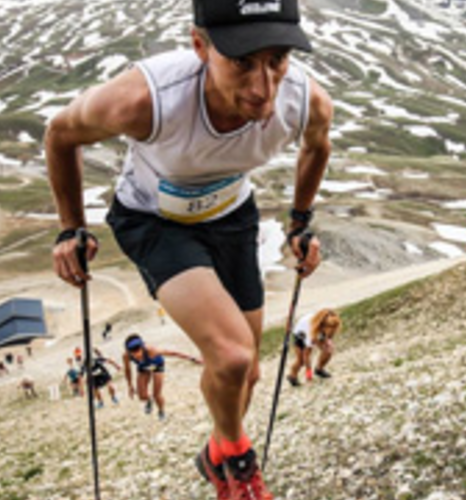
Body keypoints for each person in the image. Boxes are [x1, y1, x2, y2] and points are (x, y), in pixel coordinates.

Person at [46, 0, 330, 497]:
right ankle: (238, 466)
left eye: (277, 59)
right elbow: (60, 133)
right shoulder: (145, 99)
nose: (264, 87)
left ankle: (215, 451)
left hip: (231, 214)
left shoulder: (305, 100)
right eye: (242, 62)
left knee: (247, 374)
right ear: (200, 46)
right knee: (233, 354)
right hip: (153, 220)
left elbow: (318, 145)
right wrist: (70, 228)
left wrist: (300, 223)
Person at [122, 334, 202, 420]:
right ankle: (149, 401)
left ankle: (161, 410)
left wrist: (193, 359)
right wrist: (130, 385)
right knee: (142, 396)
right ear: (128, 351)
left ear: (142, 346)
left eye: (138, 349)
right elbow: (127, 370)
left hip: (157, 365)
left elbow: (173, 353)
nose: (137, 354)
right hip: (143, 368)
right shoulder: (126, 356)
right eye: (133, 351)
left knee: (157, 394)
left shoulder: (151, 350)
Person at [287, 309, 342, 386]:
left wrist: (326, 342)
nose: (330, 335)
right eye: (329, 333)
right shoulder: (310, 330)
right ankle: (292, 376)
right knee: (301, 360)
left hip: (316, 331)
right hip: (300, 334)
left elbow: (326, 338)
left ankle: (319, 369)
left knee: (328, 349)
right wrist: (308, 373)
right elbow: (307, 355)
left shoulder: (328, 321)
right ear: (324, 327)